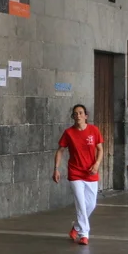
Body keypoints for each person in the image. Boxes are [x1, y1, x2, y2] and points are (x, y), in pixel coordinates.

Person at [54, 104, 104, 246]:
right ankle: (84, 234)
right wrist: (56, 168)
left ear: (86, 116)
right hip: (75, 172)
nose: (78, 116)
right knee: (81, 204)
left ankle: (76, 227)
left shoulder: (94, 130)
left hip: (91, 172)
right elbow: (60, 151)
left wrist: (97, 164)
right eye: (75, 113)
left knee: (91, 204)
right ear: (73, 116)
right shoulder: (69, 133)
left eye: (81, 113)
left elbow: (100, 149)